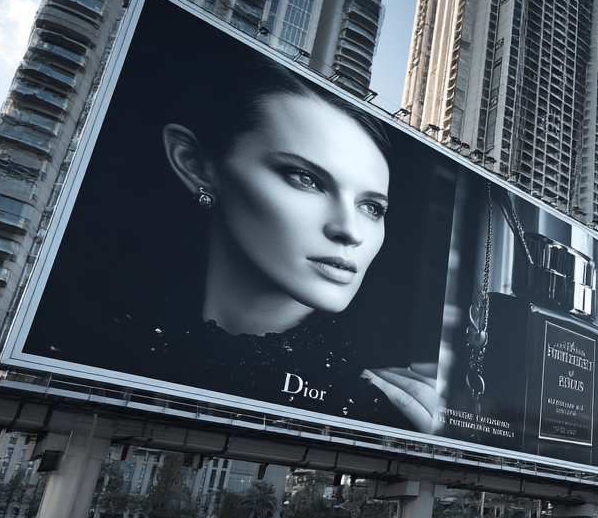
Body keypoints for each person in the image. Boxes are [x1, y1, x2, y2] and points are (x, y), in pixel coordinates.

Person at [155, 57, 439, 432]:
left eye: (371, 207)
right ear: (195, 164)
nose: (350, 231)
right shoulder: (91, 345)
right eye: (305, 179)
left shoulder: (393, 404)